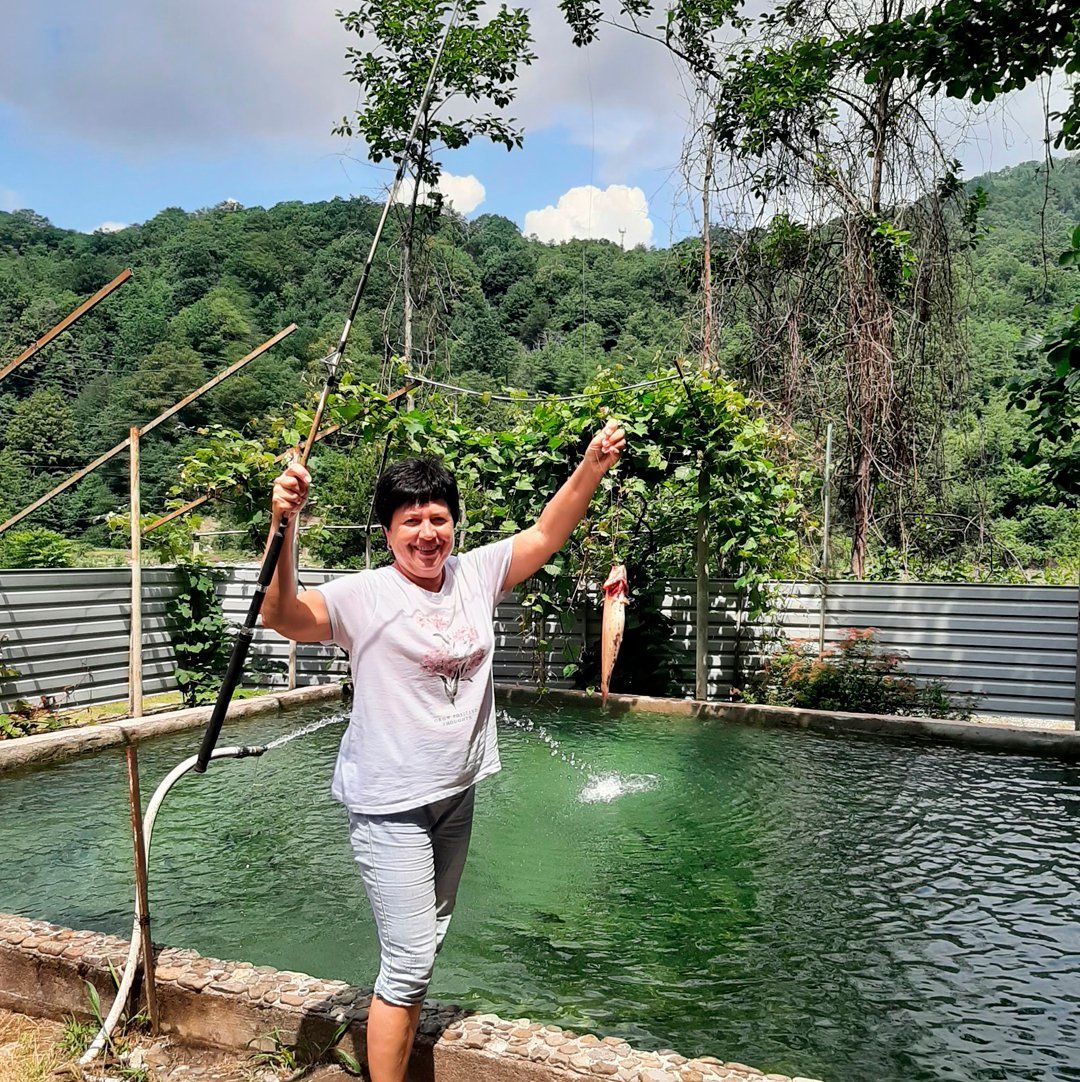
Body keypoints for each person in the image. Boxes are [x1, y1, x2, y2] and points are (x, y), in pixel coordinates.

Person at [261, 418, 626, 1082]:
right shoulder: (364, 595)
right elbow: (283, 616)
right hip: (389, 805)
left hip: (455, 796)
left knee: (422, 949)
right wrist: (282, 526)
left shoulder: (474, 574)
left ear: (454, 523)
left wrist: (591, 466)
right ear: (387, 533)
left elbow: (548, 533)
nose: (427, 533)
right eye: (411, 521)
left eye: (439, 518)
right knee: (407, 963)